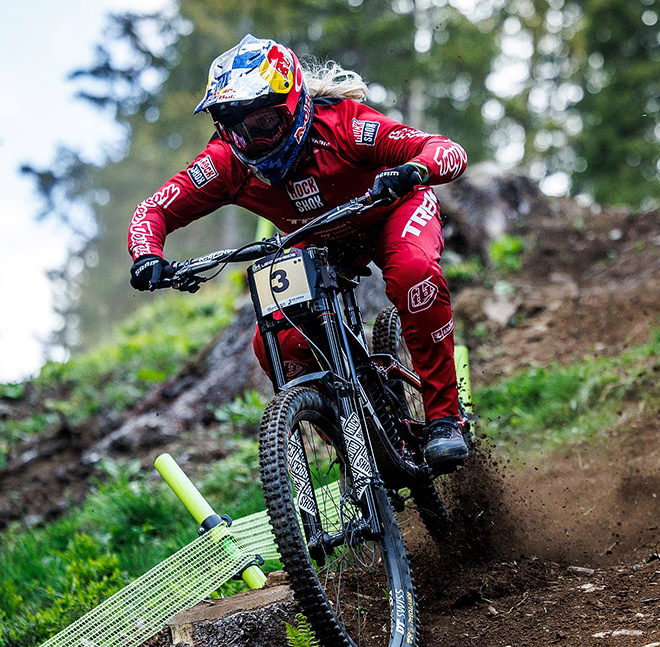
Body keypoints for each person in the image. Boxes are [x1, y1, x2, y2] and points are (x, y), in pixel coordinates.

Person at [127, 34, 470, 469]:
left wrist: (413, 170)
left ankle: (445, 419)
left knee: (412, 271)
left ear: (294, 104)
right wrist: (147, 256)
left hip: (392, 209)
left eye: (265, 123)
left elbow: (446, 149)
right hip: (318, 238)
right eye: (238, 130)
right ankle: (358, 452)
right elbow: (154, 210)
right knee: (276, 341)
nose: (253, 140)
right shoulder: (227, 161)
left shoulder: (343, 125)